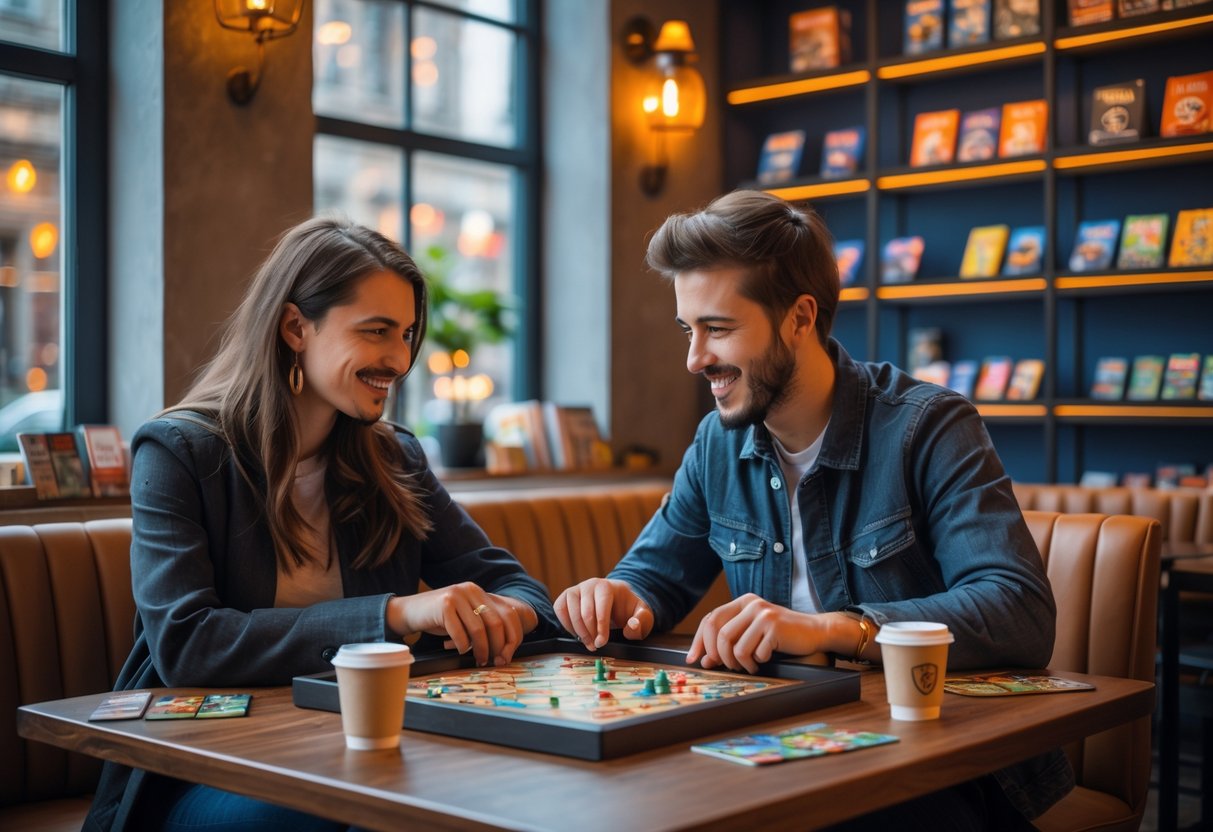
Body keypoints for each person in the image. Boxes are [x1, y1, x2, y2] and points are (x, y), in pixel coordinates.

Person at [555, 190, 1070, 829]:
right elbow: (652, 578)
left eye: (717, 329)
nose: (695, 359)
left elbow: (1018, 611)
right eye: (689, 330)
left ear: (799, 318)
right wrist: (616, 596)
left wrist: (834, 629)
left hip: (941, 771)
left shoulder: (928, 427)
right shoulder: (719, 442)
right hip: (783, 749)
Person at [84, 217, 559, 832]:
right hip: (203, 768)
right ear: (294, 327)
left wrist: (502, 614)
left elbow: (525, 594)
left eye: (409, 333)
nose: (401, 358)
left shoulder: (393, 459)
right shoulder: (179, 453)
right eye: (376, 331)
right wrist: (392, 615)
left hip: (351, 754)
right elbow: (189, 644)